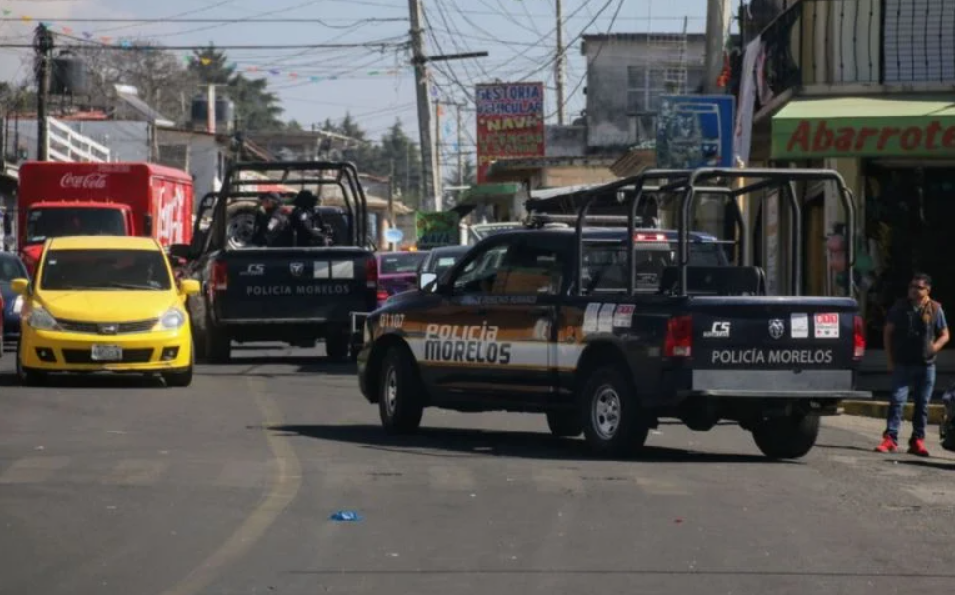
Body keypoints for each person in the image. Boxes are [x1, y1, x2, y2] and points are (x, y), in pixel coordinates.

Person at [876, 273, 950, 456]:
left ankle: (917, 440)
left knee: (922, 404)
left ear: (927, 290)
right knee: (897, 401)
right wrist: (890, 360)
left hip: (926, 365)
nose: (913, 290)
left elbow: (945, 334)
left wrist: (935, 347)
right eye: (911, 286)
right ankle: (890, 438)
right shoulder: (900, 307)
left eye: (918, 287)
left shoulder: (935, 308)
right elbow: (888, 332)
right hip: (902, 363)